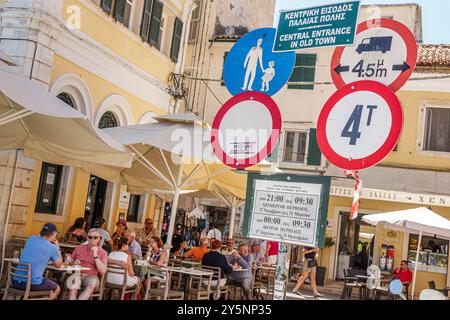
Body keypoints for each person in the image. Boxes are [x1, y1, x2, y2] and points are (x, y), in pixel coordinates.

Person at [12, 223, 62, 300]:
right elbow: (58, 265)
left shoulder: (31, 239)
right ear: (53, 234)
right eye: (55, 234)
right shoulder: (52, 247)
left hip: (15, 281)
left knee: (41, 291)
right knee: (57, 288)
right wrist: (58, 247)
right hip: (32, 283)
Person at [69, 228, 108, 300]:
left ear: (99, 239)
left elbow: (103, 271)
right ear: (87, 237)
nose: (92, 239)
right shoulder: (79, 248)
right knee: (73, 285)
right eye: (90, 237)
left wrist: (96, 256)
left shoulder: (103, 252)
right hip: (77, 274)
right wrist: (73, 263)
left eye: (95, 237)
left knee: (92, 284)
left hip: (91, 276)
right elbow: (69, 263)